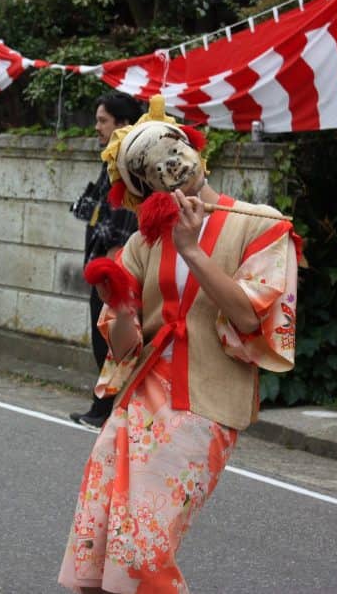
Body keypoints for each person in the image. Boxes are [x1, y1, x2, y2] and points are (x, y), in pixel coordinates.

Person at [58, 95, 299, 594]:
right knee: (100, 533)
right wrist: (121, 306)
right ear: (142, 188)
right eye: (149, 168)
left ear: (192, 148)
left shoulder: (261, 224)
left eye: (171, 152)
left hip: (204, 403)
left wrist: (191, 249)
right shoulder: (145, 241)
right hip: (140, 398)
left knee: (144, 544)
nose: (169, 168)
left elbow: (249, 314)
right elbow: (122, 349)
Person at [69, 93, 144, 429]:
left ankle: (106, 410)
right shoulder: (113, 158)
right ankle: (105, 408)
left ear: (123, 124)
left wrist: (114, 264)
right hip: (102, 257)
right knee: (104, 336)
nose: (97, 127)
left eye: (103, 120)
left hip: (114, 262)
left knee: (109, 336)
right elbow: (94, 208)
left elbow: (125, 213)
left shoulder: (130, 162)